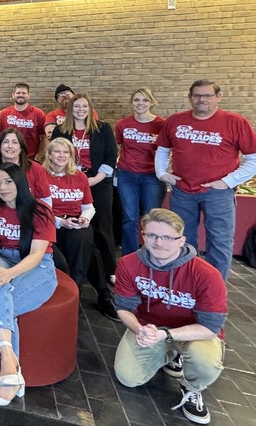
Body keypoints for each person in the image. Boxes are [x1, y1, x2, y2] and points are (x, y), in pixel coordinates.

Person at [113, 208, 228, 426]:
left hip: (194, 332)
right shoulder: (128, 264)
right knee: (128, 377)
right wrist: (140, 331)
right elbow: (123, 308)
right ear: (143, 235)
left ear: (181, 240)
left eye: (167, 237)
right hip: (149, 328)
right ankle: (170, 353)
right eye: (152, 235)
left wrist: (166, 334)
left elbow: (211, 327)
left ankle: (192, 389)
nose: (159, 243)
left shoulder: (207, 274)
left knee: (205, 364)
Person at [155, 80, 256, 279]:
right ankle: (186, 282)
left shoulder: (235, 122)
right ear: (190, 98)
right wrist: (162, 173)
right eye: (197, 96)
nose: (202, 100)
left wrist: (228, 181)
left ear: (218, 97)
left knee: (220, 241)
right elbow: (162, 149)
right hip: (183, 190)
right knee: (181, 239)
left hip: (218, 193)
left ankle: (213, 288)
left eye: (207, 95)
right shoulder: (175, 121)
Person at [0, 162, 58, 406]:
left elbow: (36, 254)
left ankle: (7, 361)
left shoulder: (41, 210)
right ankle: (12, 373)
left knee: (3, 295)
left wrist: (8, 274)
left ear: (20, 183)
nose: (2, 187)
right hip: (6, 257)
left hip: (39, 266)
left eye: (8, 181)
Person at [42, 138, 118, 320]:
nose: (61, 156)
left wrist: (84, 219)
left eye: (66, 152)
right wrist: (62, 222)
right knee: (90, 250)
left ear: (71, 155)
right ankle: (101, 294)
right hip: (53, 224)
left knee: (83, 237)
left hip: (77, 222)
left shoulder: (80, 176)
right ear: (49, 154)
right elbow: (40, 210)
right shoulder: (41, 175)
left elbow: (89, 207)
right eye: (57, 152)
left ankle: (75, 290)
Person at [53, 93, 118, 287]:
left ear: (89, 109)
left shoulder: (102, 128)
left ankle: (110, 269)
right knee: (75, 224)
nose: (80, 110)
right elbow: (55, 156)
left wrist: (95, 179)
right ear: (70, 109)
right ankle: (72, 266)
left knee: (103, 224)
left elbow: (111, 155)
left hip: (99, 180)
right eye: (77, 106)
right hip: (69, 182)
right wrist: (77, 181)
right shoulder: (61, 130)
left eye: (84, 106)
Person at [116, 88, 167, 255]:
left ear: (152, 102)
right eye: (136, 100)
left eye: (145, 100)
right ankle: (130, 255)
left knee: (151, 216)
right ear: (131, 103)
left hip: (152, 176)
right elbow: (119, 146)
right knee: (129, 217)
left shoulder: (161, 125)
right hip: (126, 174)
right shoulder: (122, 124)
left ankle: (151, 252)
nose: (140, 104)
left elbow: (167, 150)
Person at [0, 128, 52, 205]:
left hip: (29, 213)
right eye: (6, 142)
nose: (10, 146)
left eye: (15, 142)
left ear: (21, 149)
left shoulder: (36, 169)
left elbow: (45, 200)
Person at [0, 83, 48, 159]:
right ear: (13, 95)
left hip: (30, 158)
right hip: (8, 157)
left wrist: (39, 154)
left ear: (29, 95)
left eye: (24, 93)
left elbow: (45, 137)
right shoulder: (4, 113)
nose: (20, 95)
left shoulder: (38, 113)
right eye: (18, 93)